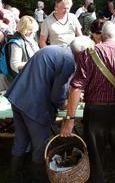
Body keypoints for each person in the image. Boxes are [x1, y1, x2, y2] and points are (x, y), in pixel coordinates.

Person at [60, 21, 115, 183]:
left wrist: (70, 120)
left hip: (95, 113)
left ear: (101, 36)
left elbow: (76, 87)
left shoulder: (89, 53)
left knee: (96, 157)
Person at [5, 45, 76, 182]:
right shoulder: (69, 61)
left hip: (18, 97)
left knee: (21, 140)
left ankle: (16, 177)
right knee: (40, 146)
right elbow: (57, 96)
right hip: (35, 105)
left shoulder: (55, 49)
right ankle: (39, 179)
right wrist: (65, 103)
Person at [6, 16, 40, 83]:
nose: (32, 32)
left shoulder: (31, 37)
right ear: (22, 28)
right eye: (29, 29)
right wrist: (35, 62)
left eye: (33, 29)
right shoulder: (16, 43)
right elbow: (15, 65)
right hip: (25, 79)